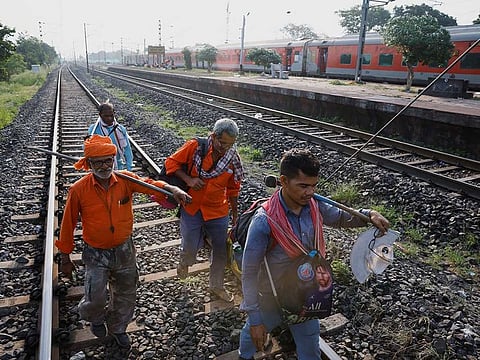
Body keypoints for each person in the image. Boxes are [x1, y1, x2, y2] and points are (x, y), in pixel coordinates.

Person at [238, 148, 390, 360]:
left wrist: (368, 215)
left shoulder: (315, 205)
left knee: (309, 346)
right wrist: (255, 319)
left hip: (306, 293)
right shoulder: (265, 221)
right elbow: (249, 271)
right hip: (272, 296)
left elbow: (339, 218)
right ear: (283, 181)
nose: (310, 192)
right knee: (251, 336)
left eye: (314, 186)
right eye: (303, 186)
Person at [56, 135, 190, 349]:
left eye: (108, 160)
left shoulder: (126, 180)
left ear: (113, 158)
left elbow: (151, 185)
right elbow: (68, 223)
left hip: (124, 250)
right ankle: (97, 318)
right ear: (88, 164)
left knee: (126, 293)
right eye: (97, 162)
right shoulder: (79, 189)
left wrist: (172, 189)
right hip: (96, 253)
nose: (104, 166)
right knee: (95, 297)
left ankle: (118, 328)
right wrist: (64, 256)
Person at [164, 118, 244, 302]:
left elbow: (233, 188)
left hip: (218, 210)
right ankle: (185, 262)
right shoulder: (195, 147)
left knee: (221, 249)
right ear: (213, 136)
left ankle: (216, 285)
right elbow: (170, 164)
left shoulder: (232, 158)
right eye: (222, 143)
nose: (225, 148)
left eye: (230, 144)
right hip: (192, 207)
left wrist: (235, 214)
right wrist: (189, 180)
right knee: (191, 246)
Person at [88, 101, 134, 170]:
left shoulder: (120, 129)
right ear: (100, 115)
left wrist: (129, 167)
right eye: (106, 116)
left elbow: (127, 149)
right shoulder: (94, 130)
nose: (109, 118)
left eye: (111, 115)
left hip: (119, 166)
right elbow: (88, 149)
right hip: (102, 167)